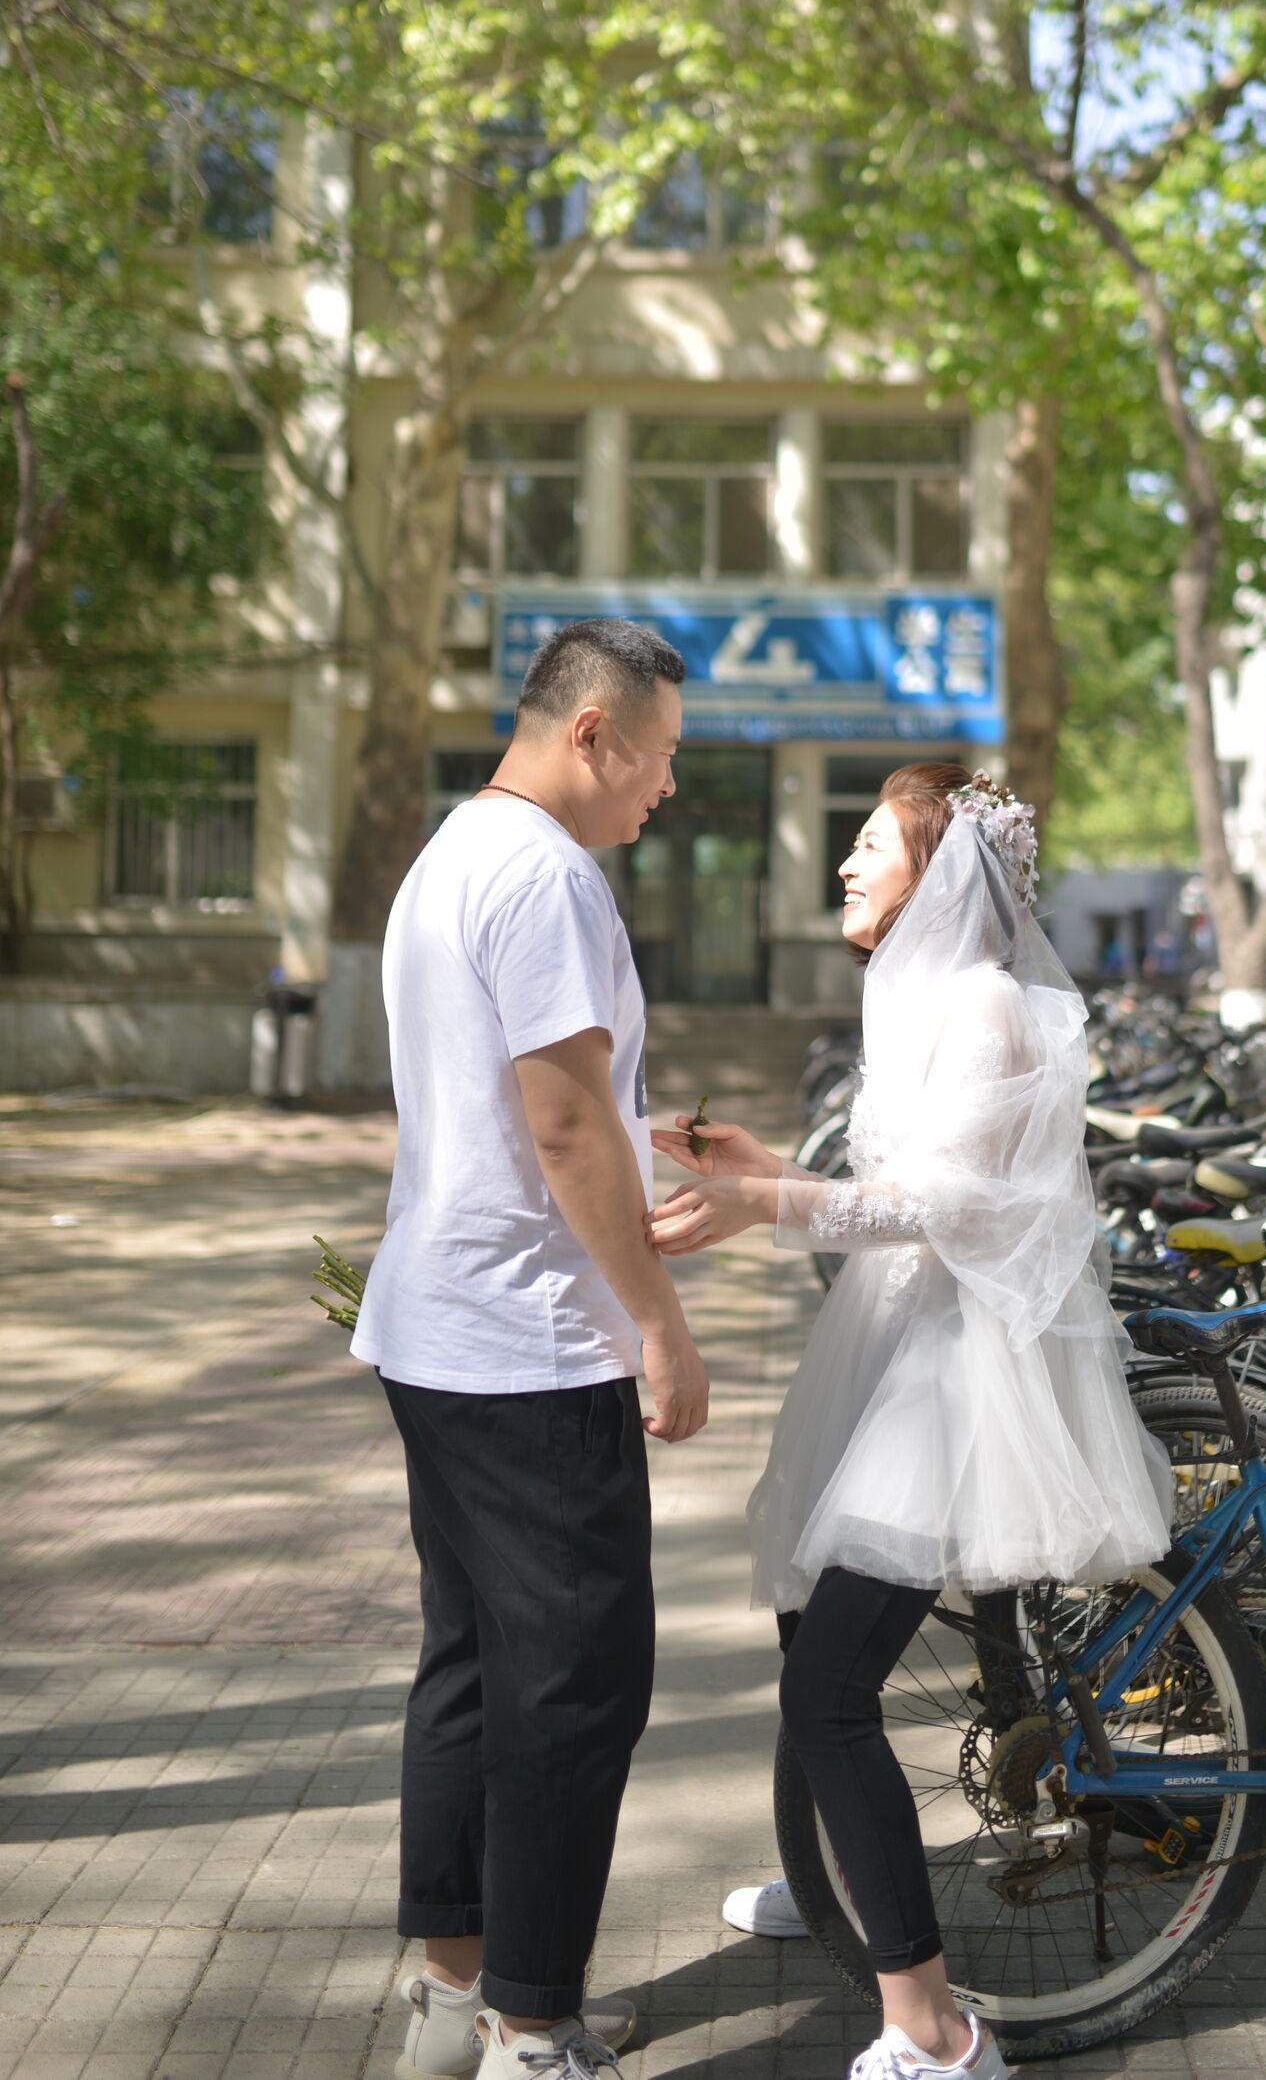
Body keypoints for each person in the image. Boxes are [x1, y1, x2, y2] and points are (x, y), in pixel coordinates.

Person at [650, 764, 1172, 2080]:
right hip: (895, 1345)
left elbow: (948, 1208)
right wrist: (769, 1173)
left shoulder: (989, 1004)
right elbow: (896, 1193)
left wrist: (769, 1207)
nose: (846, 863)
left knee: (829, 1684)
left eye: (871, 842)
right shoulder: (922, 995)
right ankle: (841, 1879)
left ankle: (934, 2033)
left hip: (955, 1377)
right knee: (803, 1618)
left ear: (940, 872)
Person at [352, 617, 708, 2080]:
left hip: (439, 1329)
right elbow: (561, 1129)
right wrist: (660, 1323)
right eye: (661, 756)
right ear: (592, 733)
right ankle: (533, 2029)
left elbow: (547, 1113)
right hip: (530, 1344)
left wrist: (640, 1146)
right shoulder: (550, 876)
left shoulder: (453, 851)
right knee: (576, 1690)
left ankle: (456, 1998)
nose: (667, 788)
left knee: (475, 1666)